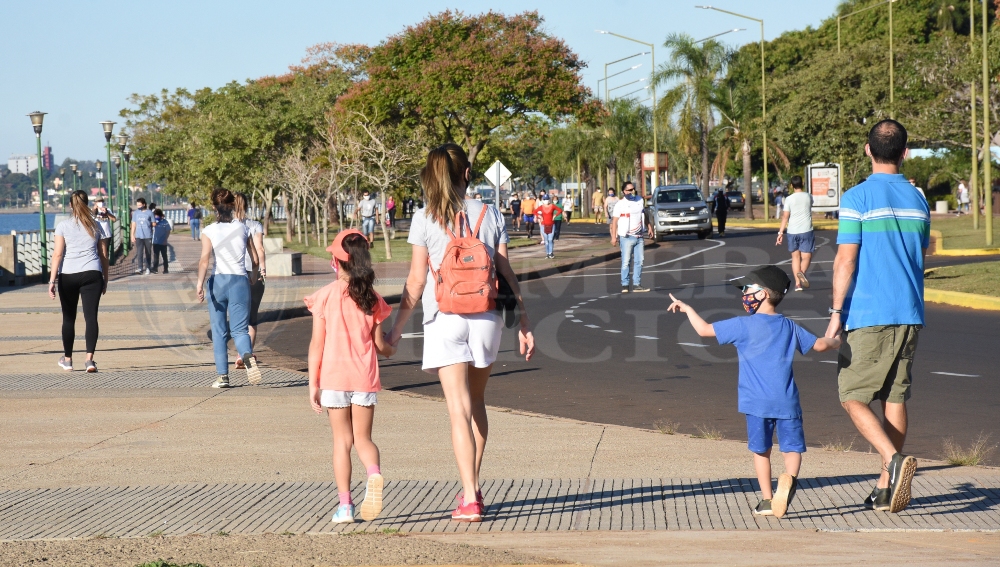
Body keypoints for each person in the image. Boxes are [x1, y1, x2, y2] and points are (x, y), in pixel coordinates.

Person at [386, 143, 535, 523]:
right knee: (478, 403)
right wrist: (524, 321)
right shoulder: (491, 213)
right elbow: (503, 270)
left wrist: (397, 330)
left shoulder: (425, 217)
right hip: (486, 318)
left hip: (445, 319)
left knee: (458, 410)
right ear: (467, 173)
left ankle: (469, 497)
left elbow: (417, 281)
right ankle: (474, 487)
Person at [668, 266, 840, 518]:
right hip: (786, 401)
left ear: (762, 294)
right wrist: (838, 340)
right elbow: (820, 345)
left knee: (761, 450)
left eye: (748, 289)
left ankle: (768, 500)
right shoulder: (789, 326)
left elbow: (704, 330)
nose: (744, 294)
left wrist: (687, 309)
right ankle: (789, 481)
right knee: (791, 448)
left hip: (755, 403)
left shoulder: (742, 325)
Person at [826, 119, 928, 514]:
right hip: (911, 313)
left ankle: (893, 460)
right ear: (905, 152)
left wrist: (836, 313)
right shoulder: (918, 199)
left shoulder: (857, 198)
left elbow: (845, 261)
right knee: (895, 395)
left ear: (868, 151)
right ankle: (886, 487)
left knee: (851, 394)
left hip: (871, 314)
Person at [306, 229, 395, 524]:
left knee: (341, 442)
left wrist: (313, 383)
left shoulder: (326, 296)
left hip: (334, 378)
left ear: (337, 261)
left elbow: (316, 344)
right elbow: (381, 346)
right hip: (364, 378)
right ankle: (374, 473)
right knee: (363, 439)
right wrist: (391, 349)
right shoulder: (371, 297)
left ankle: (345, 506)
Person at [196, 188, 261, 389]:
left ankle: (223, 377)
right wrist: (253, 274)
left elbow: (205, 260)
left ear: (214, 207)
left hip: (219, 282)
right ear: (233, 205)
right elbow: (255, 258)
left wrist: (199, 284)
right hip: (240, 281)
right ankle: (247, 355)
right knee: (240, 330)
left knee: (219, 331)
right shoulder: (243, 228)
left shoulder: (209, 231)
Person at [49, 190, 110, 373]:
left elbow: (58, 254)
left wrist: (52, 280)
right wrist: (105, 278)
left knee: (69, 318)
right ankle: (89, 360)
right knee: (91, 317)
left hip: (68, 274)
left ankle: (67, 360)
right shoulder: (97, 225)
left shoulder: (63, 226)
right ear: (88, 204)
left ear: (70, 205)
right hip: (92, 274)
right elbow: (104, 255)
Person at [234, 193, 266, 362]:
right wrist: (263, 268)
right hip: (253, 272)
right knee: (252, 318)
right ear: (247, 205)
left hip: (233, 274)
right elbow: (259, 249)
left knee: (238, 316)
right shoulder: (255, 225)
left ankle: (241, 352)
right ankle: (245, 354)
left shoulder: (226, 227)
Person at [611, 182, 653, 293]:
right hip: (626, 236)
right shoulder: (620, 204)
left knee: (640, 261)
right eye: (629, 190)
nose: (631, 192)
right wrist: (613, 237)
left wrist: (649, 227)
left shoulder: (639, 200)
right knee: (626, 261)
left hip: (639, 236)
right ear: (624, 192)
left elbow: (644, 214)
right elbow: (614, 221)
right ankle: (625, 284)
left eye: (633, 189)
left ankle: (637, 284)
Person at [776, 176, 815, 291]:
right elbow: (810, 205)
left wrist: (780, 232)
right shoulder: (808, 196)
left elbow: (785, 217)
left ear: (791, 186)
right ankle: (801, 272)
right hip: (806, 230)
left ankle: (798, 284)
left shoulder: (789, 199)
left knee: (795, 257)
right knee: (807, 256)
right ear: (802, 184)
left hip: (792, 231)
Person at [534, 194, 564, 259]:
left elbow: (560, 210)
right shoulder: (541, 207)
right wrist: (539, 216)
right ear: (543, 200)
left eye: (547, 199)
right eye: (544, 199)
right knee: (546, 240)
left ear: (549, 200)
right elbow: (535, 211)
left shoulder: (552, 206)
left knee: (550, 239)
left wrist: (555, 216)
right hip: (543, 225)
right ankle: (547, 253)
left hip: (551, 225)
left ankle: (551, 253)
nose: (546, 201)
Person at [130, 198, 154, 275]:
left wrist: (148, 223)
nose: (138, 206)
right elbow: (133, 224)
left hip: (147, 236)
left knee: (148, 252)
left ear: (144, 204)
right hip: (138, 236)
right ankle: (140, 268)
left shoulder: (150, 213)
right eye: (137, 205)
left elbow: (154, 223)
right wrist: (132, 235)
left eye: (140, 205)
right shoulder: (136, 213)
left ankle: (148, 267)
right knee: (139, 252)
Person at [150, 209, 172, 274]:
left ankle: (166, 269)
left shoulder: (165, 222)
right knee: (156, 256)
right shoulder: (154, 222)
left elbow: (168, 230)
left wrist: (165, 239)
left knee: (164, 256)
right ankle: (155, 268)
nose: (156, 217)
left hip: (163, 242)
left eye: (157, 215)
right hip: (155, 242)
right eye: (155, 215)